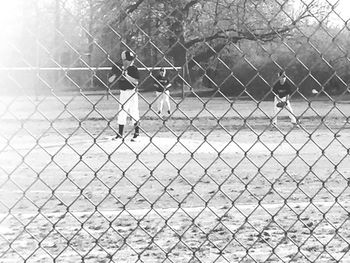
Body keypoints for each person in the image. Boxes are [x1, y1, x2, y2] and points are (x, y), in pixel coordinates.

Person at [108, 50, 140, 141]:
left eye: (131, 60)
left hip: (132, 92)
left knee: (134, 111)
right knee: (122, 111)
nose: (131, 61)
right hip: (123, 93)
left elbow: (136, 82)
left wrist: (126, 75)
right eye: (128, 60)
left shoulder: (133, 69)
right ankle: (120, 134)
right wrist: (117, 74)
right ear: (123, 60)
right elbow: (110, 80)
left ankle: (137, 134)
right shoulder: (117, 68)